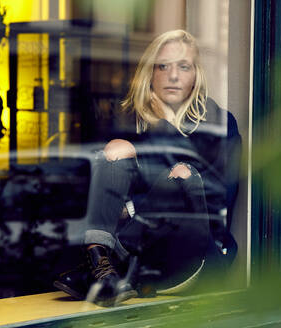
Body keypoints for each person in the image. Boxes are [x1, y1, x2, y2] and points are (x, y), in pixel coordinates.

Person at [54, 29, 241, 306]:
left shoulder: (219, 124)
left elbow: (217, 201)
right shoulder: (127, 122)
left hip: (193, 257)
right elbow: (93, 199)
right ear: (150, 73)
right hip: (141, 266)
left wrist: (130, 209)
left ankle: (102, 261)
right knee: (117, 149)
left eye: (184, 66)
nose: (173, 76)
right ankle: (104, 268)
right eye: (163, 66)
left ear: (196, 74)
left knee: (182, 174)